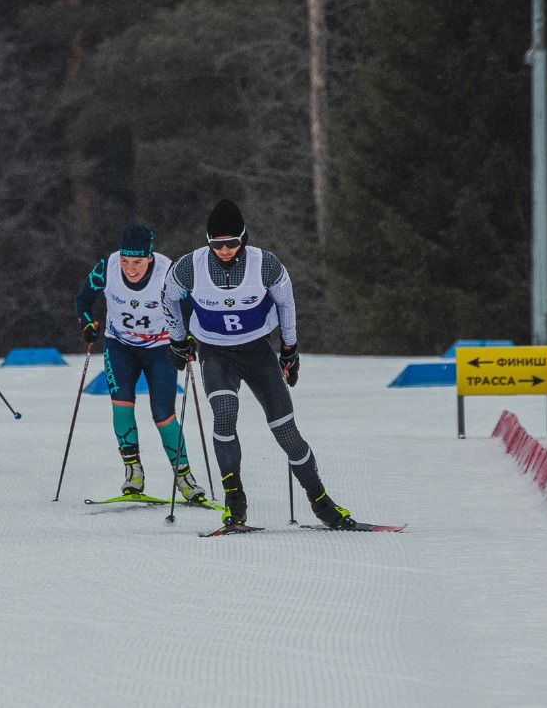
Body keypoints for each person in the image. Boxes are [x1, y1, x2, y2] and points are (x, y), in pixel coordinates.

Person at [159, 199, 356, 529]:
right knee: (224, 414)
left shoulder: (265, 264)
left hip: (256, 351)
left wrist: (289, 349)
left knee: (286, 432)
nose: (224, 250)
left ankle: (321, 501)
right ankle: (234, 498)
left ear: (243, 238)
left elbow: (286, 305)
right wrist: (178, 340)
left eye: (232, 243)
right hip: (215, 351)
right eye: (217, 244)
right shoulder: (189, 266)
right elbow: (168, 297)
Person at [74, 223, 208, 504]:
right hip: (120, 345)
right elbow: (83, 300)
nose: (130, 269)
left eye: (137, 262)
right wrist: (87, 324)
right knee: (122, 403)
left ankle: (184, 477)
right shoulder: (107, 267)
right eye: (125, 261)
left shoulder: (168, 273)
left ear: (150, 257)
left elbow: (190, 309)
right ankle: (133, 471)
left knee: (163, 414)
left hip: (160, 348)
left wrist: (190, 338)